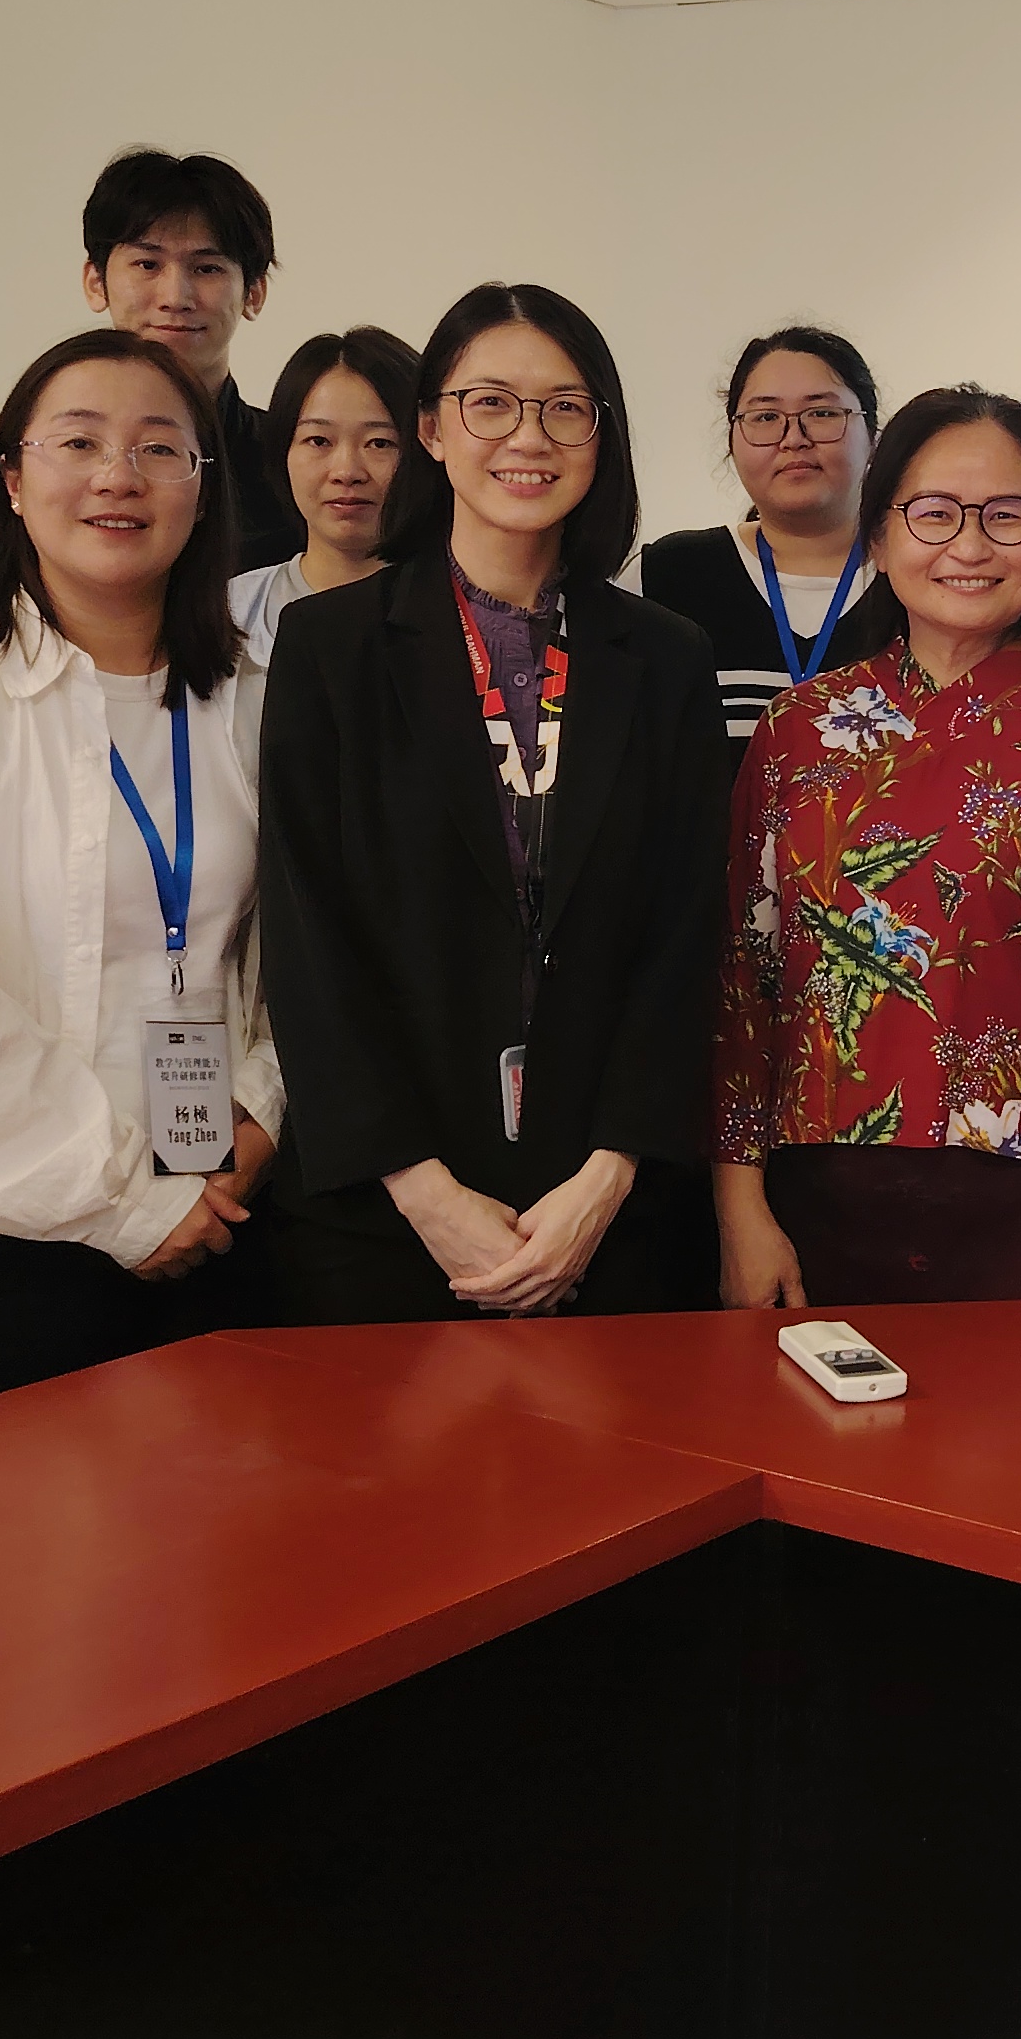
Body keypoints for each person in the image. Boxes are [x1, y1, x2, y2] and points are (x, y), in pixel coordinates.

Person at [0, 332, 282, 1419]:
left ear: (202, 489)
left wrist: (256, 1120)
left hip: (230, 1218)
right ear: (15, 482)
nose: (120, 476)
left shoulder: (258, 701)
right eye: (79, 441)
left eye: (160, 448)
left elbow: (299, 957)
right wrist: (128, 1204)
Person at [259, 286, 725, 1323]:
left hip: (611, 1210)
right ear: (430, 428)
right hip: (384, 1211)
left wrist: (608, 1177)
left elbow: (687, 932)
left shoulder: (664, 655)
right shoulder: (328, 648)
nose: (529, 436)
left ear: (601, 435)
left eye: (566, 407)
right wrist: (424, 1194)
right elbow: (306, 936)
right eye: (491, 404)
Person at [714, 386, 1021, 1306]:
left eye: (1007, 517)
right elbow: (748, 982)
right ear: (880, 534)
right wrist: (742, 1211)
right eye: (934, 514)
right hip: (816, 1203)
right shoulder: (799, 730)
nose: (969, 547)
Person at [635, 326, 881, 749]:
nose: (794, 439)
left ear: (873, 436)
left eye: (822, 414)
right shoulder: (667, 577)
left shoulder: (923, 580)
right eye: (765, 417)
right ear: (733, 440)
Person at [82, 146, 300, 569]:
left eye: (207, 269)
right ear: (96, 282)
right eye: (147, 264)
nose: (175, 298)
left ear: (253, 294)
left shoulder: (295, 466)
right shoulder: (33, 460)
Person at [227, 325, 424, 667]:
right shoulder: (229, 614)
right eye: (319, 441)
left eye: (379, 443)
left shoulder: (460, 614)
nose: (346, 472)